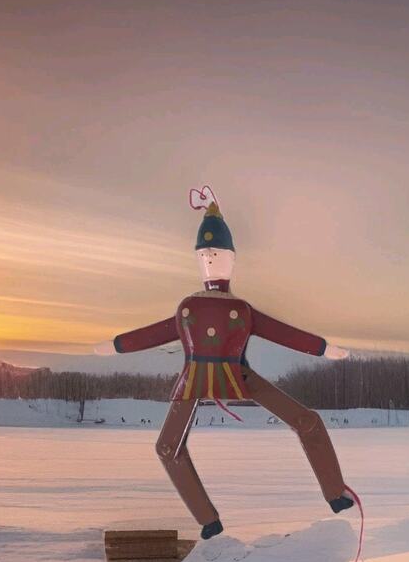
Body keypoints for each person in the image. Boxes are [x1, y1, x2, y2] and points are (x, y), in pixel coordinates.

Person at [96, 186, 355, 539]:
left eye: (217, 253)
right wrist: (117, 345)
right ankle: (208, 520)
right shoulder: (188, 308)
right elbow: (154, 333)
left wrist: (323, 348)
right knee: (168, 447)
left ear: (231, 259)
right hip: (197, 379)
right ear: (199, 259)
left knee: (306, 420)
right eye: (207, 253)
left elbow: (282, 332)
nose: (212, 258)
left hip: (235, 376)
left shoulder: (239, 310)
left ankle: (335, 493)